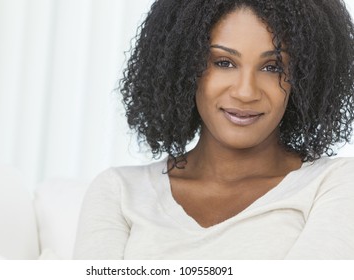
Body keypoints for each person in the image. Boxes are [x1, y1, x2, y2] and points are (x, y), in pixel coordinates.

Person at [74, 0, 354, 259]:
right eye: (224, 63)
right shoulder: (120, 192)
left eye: (272, 67)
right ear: (182, 66)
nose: (246, 92)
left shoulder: (333, 184)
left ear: (305, 78)